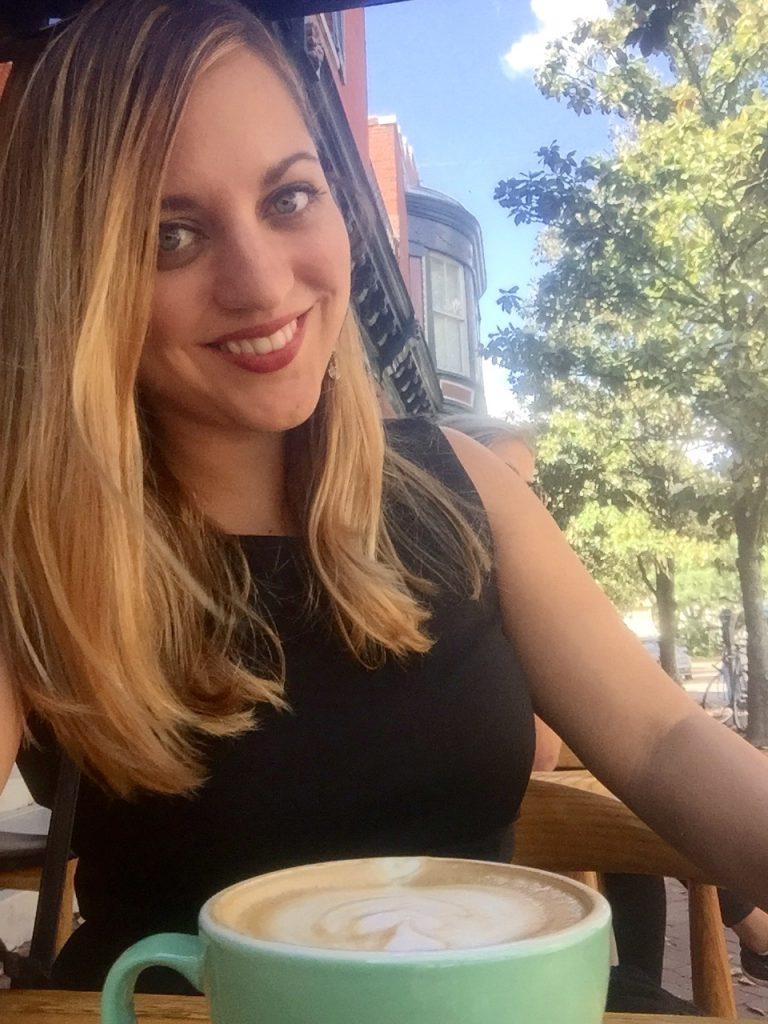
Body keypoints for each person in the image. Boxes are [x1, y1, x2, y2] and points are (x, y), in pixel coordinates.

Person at [1, 0, 768, 1002]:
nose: (263, 282)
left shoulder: (459, 482)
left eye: (288, 199)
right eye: (172, 236)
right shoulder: (34, 532)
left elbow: (666, 740)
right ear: (79, 279)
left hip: (495, 996)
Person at [446, 411, 768, 993]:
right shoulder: (457, 578)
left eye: (529, 486)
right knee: (632, 828)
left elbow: (658, 734)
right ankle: (732, 934)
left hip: (497, 947)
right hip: (504, 885)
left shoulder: (519, 563)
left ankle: (657, 968)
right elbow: (545, 752)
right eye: (508, 480)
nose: (527, 503)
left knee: (643, 819)